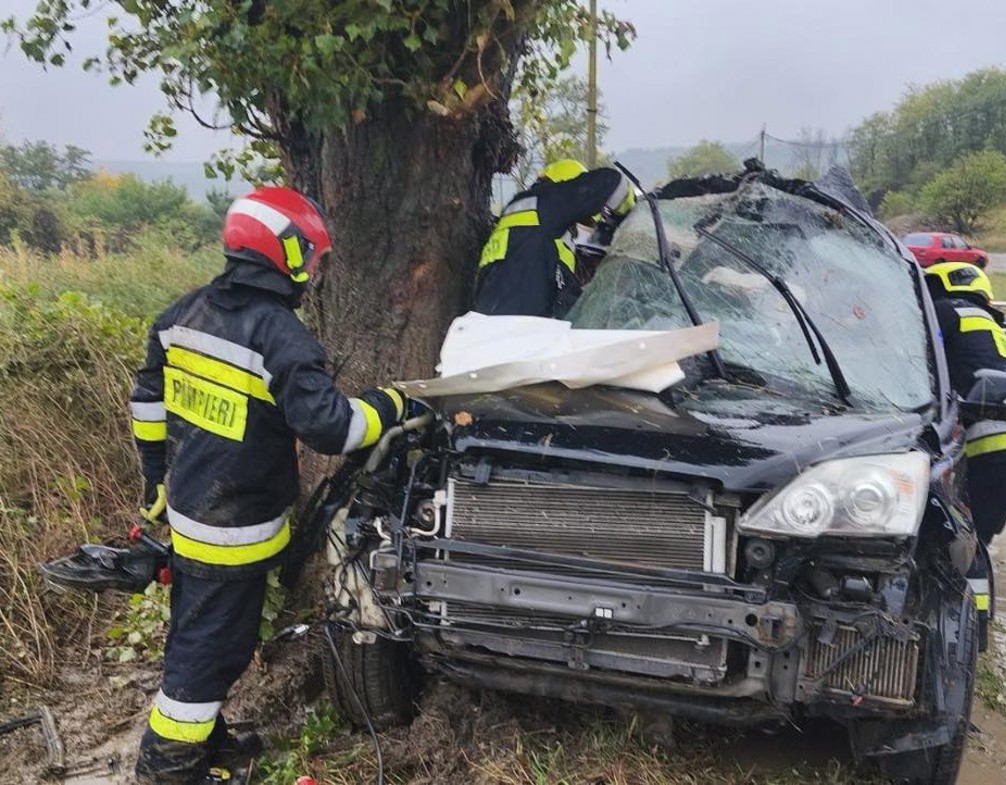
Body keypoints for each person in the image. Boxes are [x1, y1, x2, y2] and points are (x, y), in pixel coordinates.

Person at [129, 186, 408, 784]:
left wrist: (154, 476)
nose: (314, 269)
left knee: (197, 633)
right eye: (311, 255)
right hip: (235, 530)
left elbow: (147, 401)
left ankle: (207, 739)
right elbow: (335, 429)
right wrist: (391, 404)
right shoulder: (279, 336)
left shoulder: (183, 314)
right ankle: (169, 767)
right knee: (211, 653)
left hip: (189, 511)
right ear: (284, 252)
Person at [924, 262, 1006, 615]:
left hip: (1001, 442)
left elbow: (915, 350)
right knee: (978, 535)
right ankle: (972, 617)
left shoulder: (946, 312)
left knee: (964, 536)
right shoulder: (991, 328)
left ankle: (971, 622)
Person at [472, 158, 635, 318]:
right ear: (566, 186)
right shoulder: (541, 204)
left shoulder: (531, 235)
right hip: (516, 331)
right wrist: (628, 207)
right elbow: (611, 180)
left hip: (507, 328)